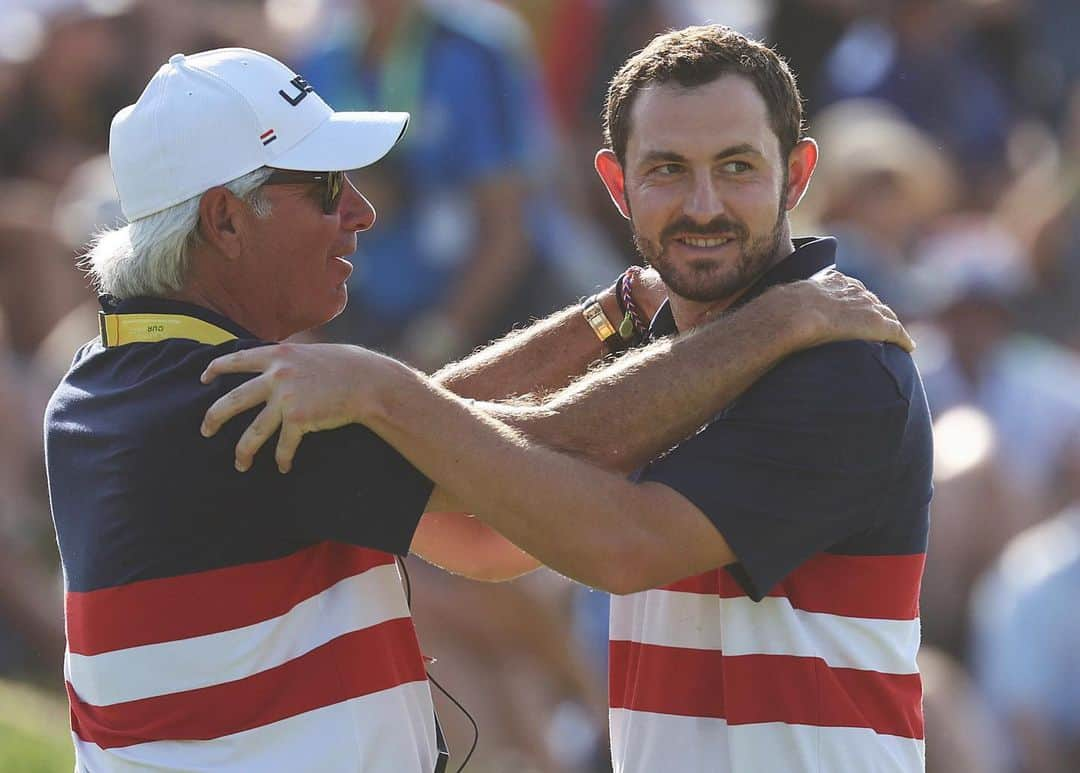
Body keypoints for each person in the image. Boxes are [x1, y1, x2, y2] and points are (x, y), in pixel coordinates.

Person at [44, 44, 907, 772]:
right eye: (324, 188)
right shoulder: (234, 402)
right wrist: (777, 319)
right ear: (227, 222)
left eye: (736, 167)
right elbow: (554, 484)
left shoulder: (113, 382)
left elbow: (476, 488)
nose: (362, 211)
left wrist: (597, 323)